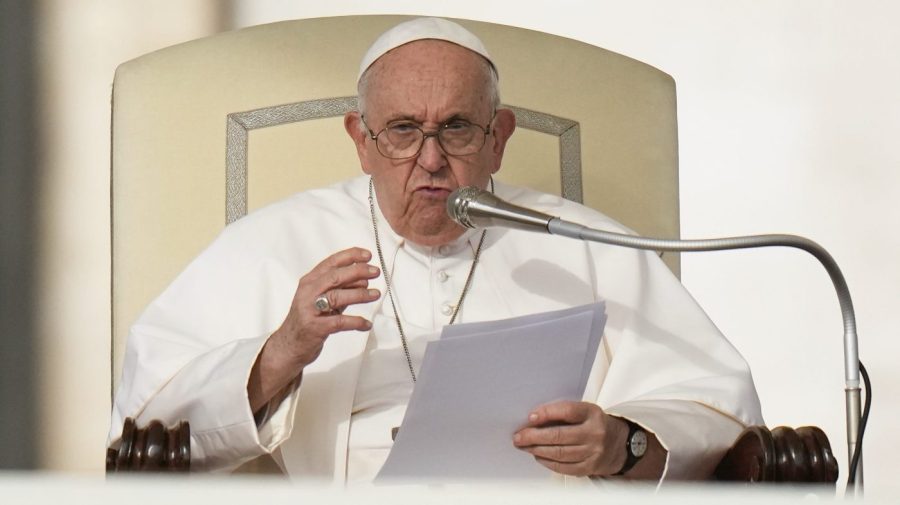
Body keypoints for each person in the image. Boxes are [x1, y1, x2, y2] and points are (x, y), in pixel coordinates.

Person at [109, 17, 763, 484]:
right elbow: (145, 418)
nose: (430, 160)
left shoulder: (585, 243)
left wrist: (624, 442)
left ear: (498, 137)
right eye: (401, 131)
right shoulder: (274, 240)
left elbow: (716, 408)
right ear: (360, 140)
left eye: (455, 127)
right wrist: (283, 350)